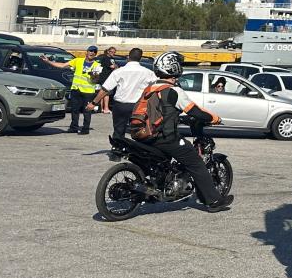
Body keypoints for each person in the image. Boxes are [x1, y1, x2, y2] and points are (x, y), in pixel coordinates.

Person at [142, 51, 232, 211]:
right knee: (196, 163)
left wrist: (178, 118)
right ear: (174, 68)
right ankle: (213, 201)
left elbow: (161, 112)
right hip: (165, 137)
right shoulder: (174, 90)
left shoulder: (150, 89)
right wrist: (214, 118)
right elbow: (194, 111)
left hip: (144, 135)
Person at [91, 47, 154, 138]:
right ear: (140, 59)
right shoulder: (148, 73)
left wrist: (93, 103)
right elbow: (156, 87)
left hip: (121, 105)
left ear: (128, 57)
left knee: (119, 131)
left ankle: (118, 144)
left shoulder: (119, 71)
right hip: (138, 106)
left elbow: (105, 89)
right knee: (138, 131)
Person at [39, 45, 101, 134]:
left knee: (87, 111)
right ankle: (74, 127)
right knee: (74, 110)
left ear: (95, 54)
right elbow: (62, 65)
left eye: (94, 52)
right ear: (86, 52)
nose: (92, 53)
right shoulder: (78, 61)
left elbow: (96, 80)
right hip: (76, 89)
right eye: (90, 51)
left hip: (88, 91)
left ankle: (85, 129)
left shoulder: (97, 65)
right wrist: (48, 61)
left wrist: (93, 76)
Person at [96, 46, 118, 113]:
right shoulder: (105, 58)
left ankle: (102, 108)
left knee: (104, 93)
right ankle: (105, 108)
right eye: (112, 52)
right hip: (105, 77)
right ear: (108, 51)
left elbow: (116, 66)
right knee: (106, 93)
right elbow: (113, 66)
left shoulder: (112, 59)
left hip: (109, 77)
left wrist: (115, 66)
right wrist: (115, 66)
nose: (113, 53)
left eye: (114, 52)